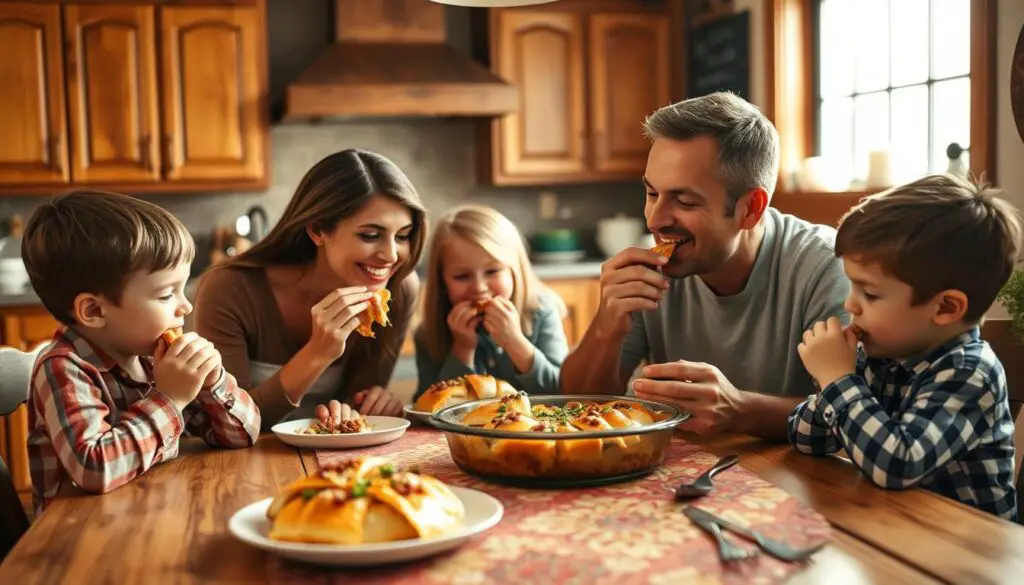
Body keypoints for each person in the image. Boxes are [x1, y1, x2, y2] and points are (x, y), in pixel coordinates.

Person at [559, 92, 850, 440]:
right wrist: (607, 323)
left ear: (750, 209)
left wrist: (740, 410)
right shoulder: (648, 272)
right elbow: (574, 407)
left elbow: (850, 418)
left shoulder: (827, 266)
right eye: (652, 194)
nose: (655, 220)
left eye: (684, 201)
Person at [789, 174, 1021, 521]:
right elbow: (806, 439)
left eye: (870, 294)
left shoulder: (970, 371)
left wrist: (837, 380)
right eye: (853, 287)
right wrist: (831, 384)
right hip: (897, 525)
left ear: (945, 308)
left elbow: (897, 464)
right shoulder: (878, 354)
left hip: (969, 552)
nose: (851, 305)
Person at [21, 190, 260, 513]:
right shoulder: (63, 368)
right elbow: (95, 468)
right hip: (78, 540)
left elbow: (241, 436)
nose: (185, 306)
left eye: (182, 288)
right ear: (93, 310)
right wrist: (170, 399)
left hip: (152, 515)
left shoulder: (151, 358)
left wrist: (212, 382)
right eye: (166, 296)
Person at [193, 149, 425, 429]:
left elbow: (357, 407)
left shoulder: (399, 290)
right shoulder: (228, 289)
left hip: (336, 459)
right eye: (370, 235)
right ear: (317, 230)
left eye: (403, 236)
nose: (390, 255)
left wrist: (373, 404)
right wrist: (317, 352)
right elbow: (228, 422)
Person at [413, 205, 568, 399]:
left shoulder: (541, 311)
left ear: (514, 270)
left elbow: (562, 391)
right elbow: (428, 405)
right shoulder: (429, 333)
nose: (479, 287)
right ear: (442, 282)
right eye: (462, 276)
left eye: (492, 271)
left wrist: (514, 341)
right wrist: (463, 349)